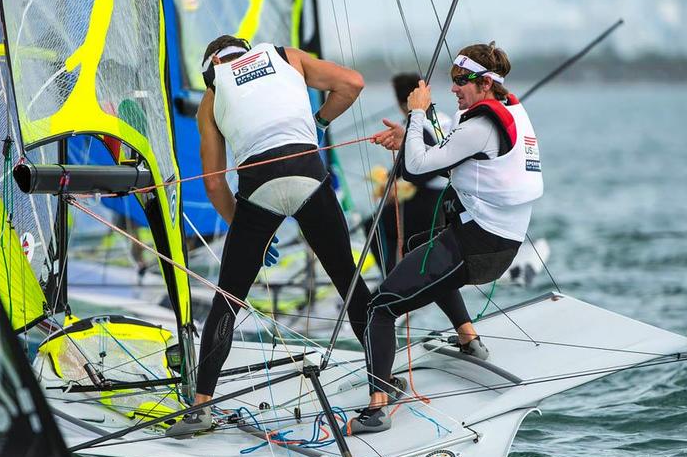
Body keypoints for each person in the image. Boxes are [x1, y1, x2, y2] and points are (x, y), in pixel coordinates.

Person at [169, 35, 396, 435]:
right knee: (349, 282)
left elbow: (214, 184)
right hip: (309, 174)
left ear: (212, 65)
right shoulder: (286, 56)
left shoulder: (212, 94)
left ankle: (200, 408)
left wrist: (244, 222)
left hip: (258, 190)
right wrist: (318, 123)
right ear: (247, 47)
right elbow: (353, 84)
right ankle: (380, 398)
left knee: (229, 298)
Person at [352, 42, 544, 433]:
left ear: (485, 83)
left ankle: (377, 406)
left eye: (460, 81)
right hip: (498, 241)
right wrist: (410, 132)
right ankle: (467, 336)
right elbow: (444, 153)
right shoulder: (510, 111)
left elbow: (414, 170)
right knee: (422, 243)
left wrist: (417, 111)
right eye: (452, 80)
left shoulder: (478, 126)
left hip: (479, 246)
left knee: (379, 308)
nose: (453, 89)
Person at [368, 73, 450, 270]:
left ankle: (390, 283)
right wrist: (390, 180)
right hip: (448, 198)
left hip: (429, 202)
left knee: (375, 227)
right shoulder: (443, 119)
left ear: (402, 102)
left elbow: (423, 164)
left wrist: (397, 187)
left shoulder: (418, 124)